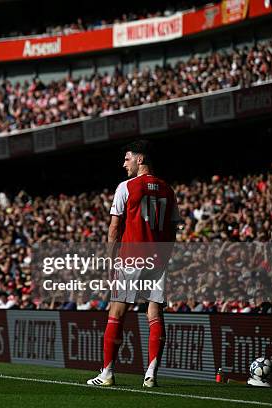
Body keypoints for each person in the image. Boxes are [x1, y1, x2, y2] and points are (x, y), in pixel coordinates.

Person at [87, 140, 180, 388]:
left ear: (140, 159)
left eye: (127, 158)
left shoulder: (126, 187)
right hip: (158, 259)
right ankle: (151, 373)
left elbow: (115, 226)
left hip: (131, 256)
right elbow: (172, 230)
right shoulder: (168, 190)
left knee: (117, 312)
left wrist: (110, 258)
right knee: (155, 312)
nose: (124, 163)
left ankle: (107, 373)